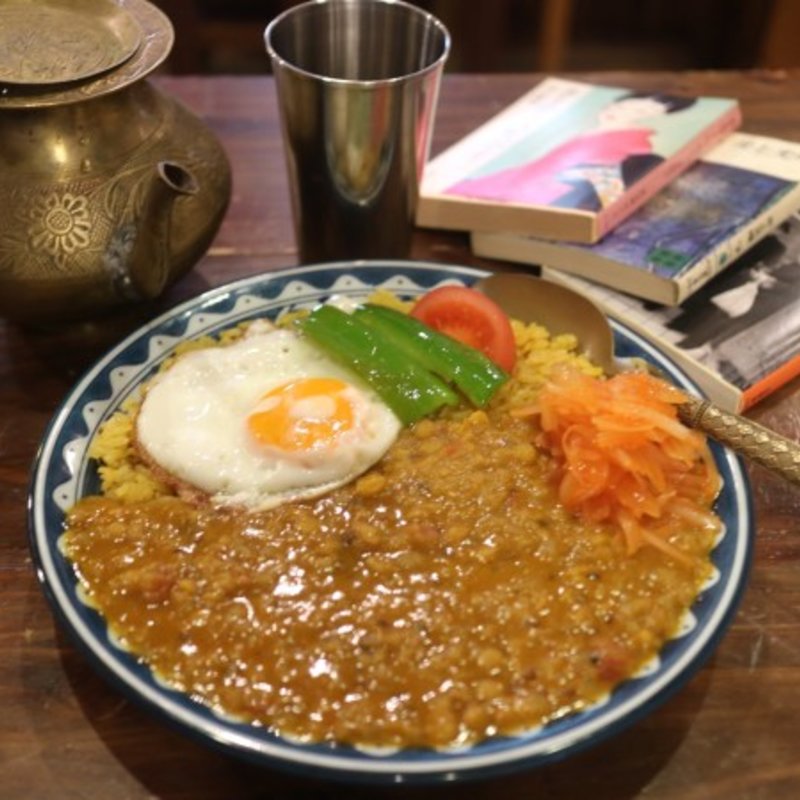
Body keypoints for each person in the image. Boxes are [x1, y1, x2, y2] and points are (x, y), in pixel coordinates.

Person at [445, 92, 696, 212]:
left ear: (652, 118)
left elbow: (609, 188)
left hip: (548, 200)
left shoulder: (634, 145)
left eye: (640, 113)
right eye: (625, 106)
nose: (620, 113)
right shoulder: (581, 131)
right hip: (507, 185)